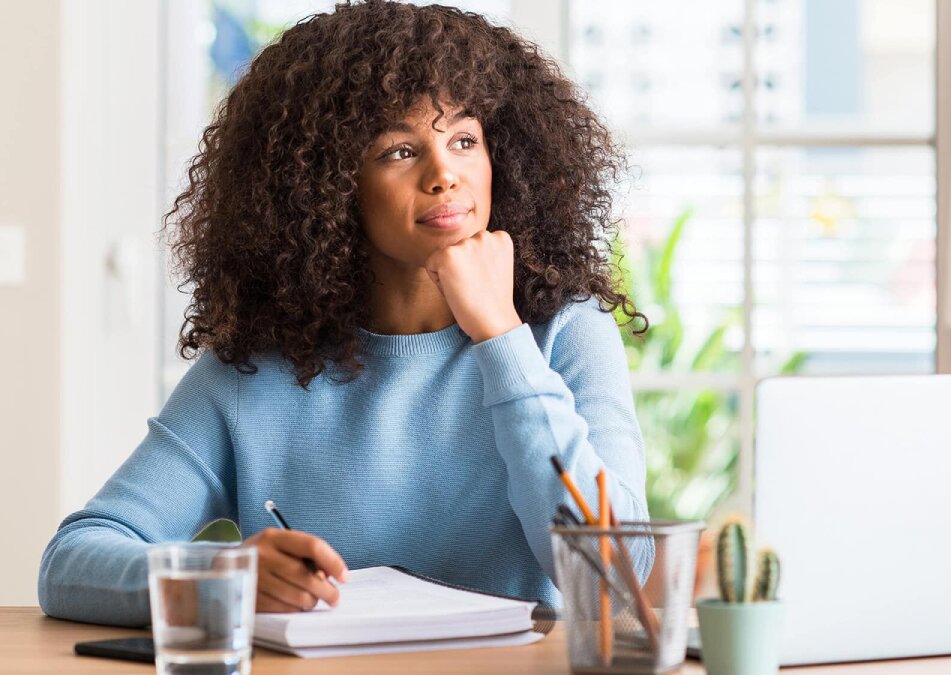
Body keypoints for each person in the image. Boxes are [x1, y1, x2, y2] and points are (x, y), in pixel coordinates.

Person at [38, 0, 649, 627]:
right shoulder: (256, 370)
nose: (444, 174)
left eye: (465, 140)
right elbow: (72, 563)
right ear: (328, 186)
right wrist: (227, 580)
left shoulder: (564, 334)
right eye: (398, 151)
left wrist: (502, 337)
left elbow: (615, 575)